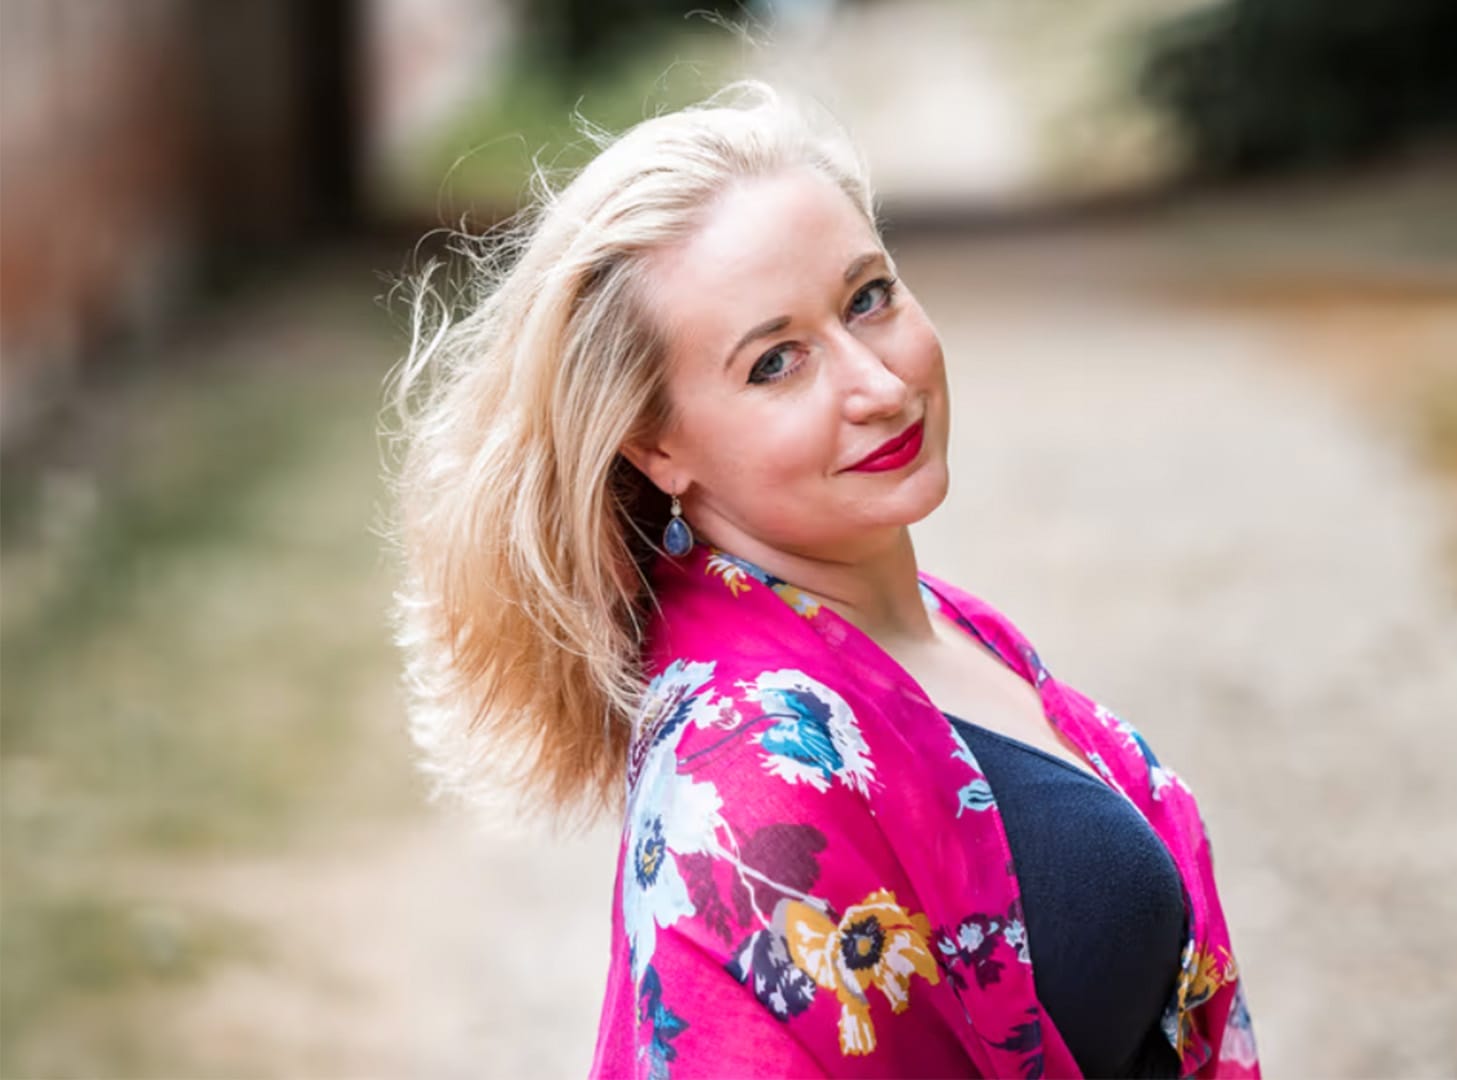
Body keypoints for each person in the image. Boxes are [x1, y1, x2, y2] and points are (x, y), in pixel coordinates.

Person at [385, 81, 1260, 1079]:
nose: (879, 386)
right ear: (657, 446)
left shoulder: (948, 627)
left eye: (868, 299)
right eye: (777, 363)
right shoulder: (747, 785)